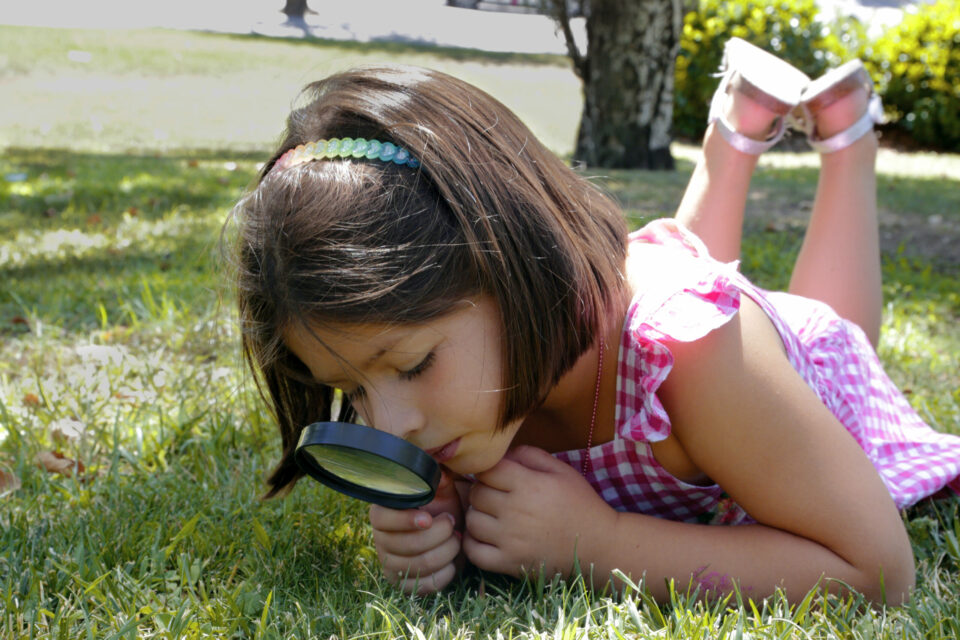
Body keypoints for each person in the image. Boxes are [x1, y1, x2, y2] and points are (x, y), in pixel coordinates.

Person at [228, 39, 960, 604]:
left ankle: (846, 139)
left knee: (838, 326)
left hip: (797, 367)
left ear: (512, 259)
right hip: (644, 337)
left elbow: (878, 570)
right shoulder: (460, 386)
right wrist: (435, 524)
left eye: (413, 364)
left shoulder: (691, 349)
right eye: (352, 392)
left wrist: (602, 544)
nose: (390, 426)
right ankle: (739, 129)